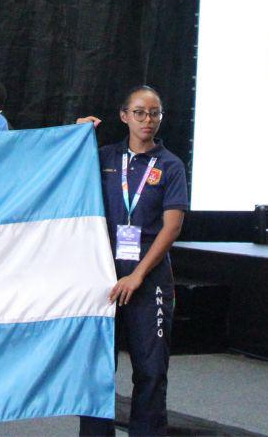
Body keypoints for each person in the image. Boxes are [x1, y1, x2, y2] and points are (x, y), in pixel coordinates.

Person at [78, 86, 188, 436]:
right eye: (139, 112)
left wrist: (138, 275)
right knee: (97, 368)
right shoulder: (103, 158)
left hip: (148, 278)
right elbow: (63, 174)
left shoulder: (170, 165)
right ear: (124, 116)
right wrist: (75, 136)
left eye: (154, 113)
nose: (147, 120)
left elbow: (172, 227)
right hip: (104, 277)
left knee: (151, 370)